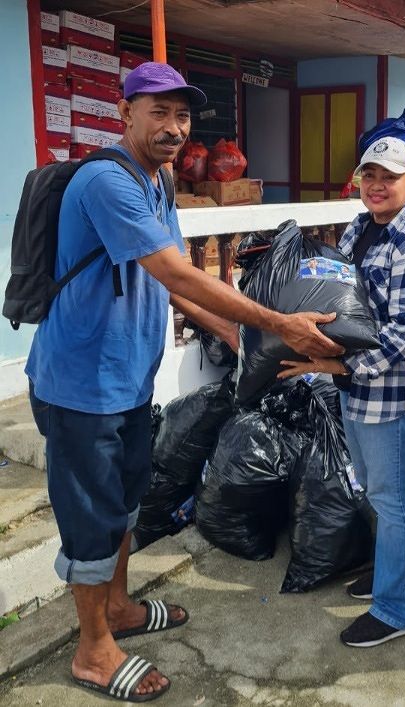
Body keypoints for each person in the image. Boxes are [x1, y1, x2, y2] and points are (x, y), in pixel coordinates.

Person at [25, 62, 342, 702]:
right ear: (125, 113)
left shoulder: (158, 181)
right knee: (90, 519)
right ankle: (92, 651)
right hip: (80, 386)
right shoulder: (105, 182)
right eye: (159, 112)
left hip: (128, 383)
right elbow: (176, 272)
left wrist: (231, 330)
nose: (174, 128)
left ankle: (116, 609)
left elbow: (166, 282)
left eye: (183, 116)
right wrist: (277, 321)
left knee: (123, 506)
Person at [278, 136, 405, 648]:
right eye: (369, 175)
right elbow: (342, 291)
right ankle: (392, 570)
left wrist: (334, 362)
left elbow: (403, 332)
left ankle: (396, 609)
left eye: (389, 177)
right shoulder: (360, 227)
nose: (376, 185)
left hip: (391, 388)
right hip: (353, 380)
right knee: (373, 486)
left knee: (392, 499)